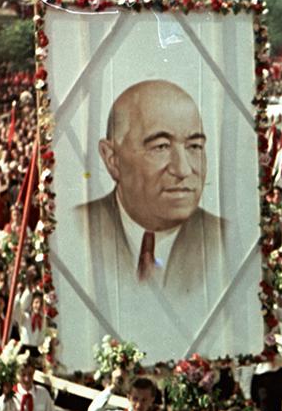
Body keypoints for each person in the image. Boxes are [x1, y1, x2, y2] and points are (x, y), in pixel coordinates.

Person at [83, 79, 227, 294]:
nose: (183, 169)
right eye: (161, 147)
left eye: (194, 146)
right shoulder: (80, 233)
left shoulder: (224, 242)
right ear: (112, 159)